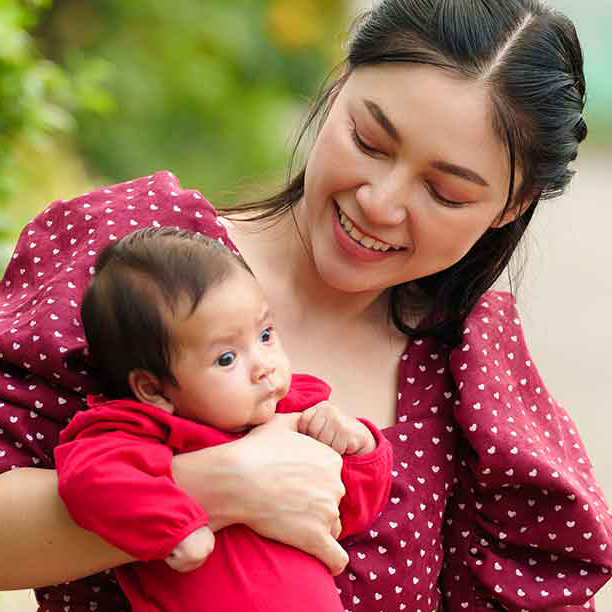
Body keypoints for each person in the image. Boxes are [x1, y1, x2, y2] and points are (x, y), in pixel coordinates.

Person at [1, 0, 611, 610]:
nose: (380, 202)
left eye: (443, 192)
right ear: (338, 83)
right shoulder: (138, 266)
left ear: (512, 205)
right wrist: (219, 488)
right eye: (369, 141)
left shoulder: (466, 372)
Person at [53, 226, 392, 612]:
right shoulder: (141, 428)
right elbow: (90, 478)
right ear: (154, 390)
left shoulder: (300, 410)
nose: (264, 366)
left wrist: (359, 449)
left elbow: (345, 514)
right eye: (227, 358)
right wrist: (175, 524)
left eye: (265, 335)